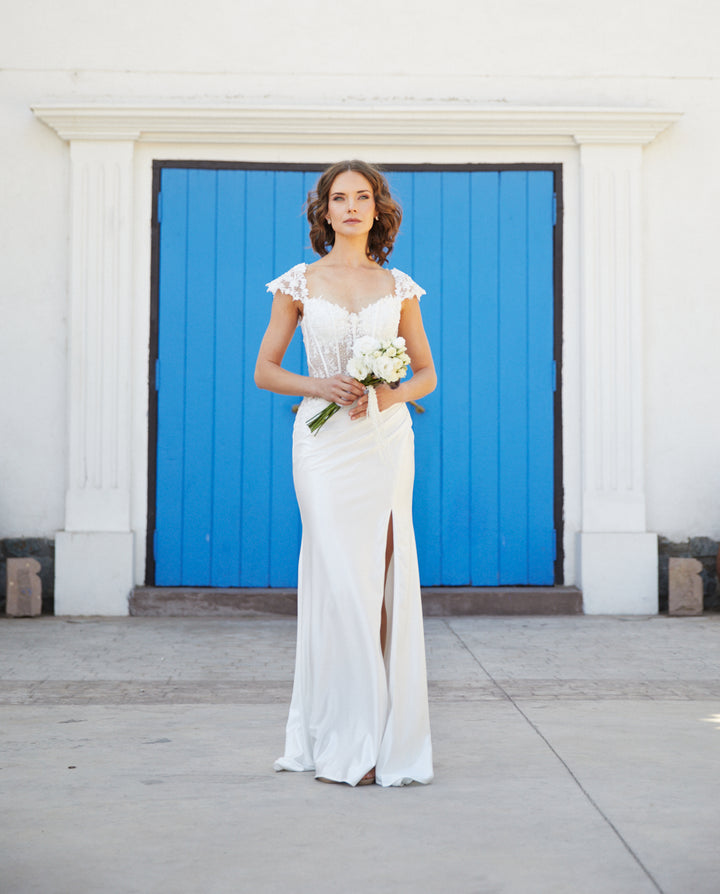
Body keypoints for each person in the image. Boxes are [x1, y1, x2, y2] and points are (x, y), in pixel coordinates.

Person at [255, 160, 436, 787]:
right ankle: (345, 733)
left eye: (363, 196)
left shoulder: (398, 287)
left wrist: (386, 396)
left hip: (385, 439)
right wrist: (319, 384)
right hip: (324, 444)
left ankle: (382, 733)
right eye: (340, 197)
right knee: (339, 577)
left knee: (382, 573)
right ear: (324, 211)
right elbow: (266, 370)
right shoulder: (298, 284)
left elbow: (426, 376)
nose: (352, 206)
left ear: (376, 208)